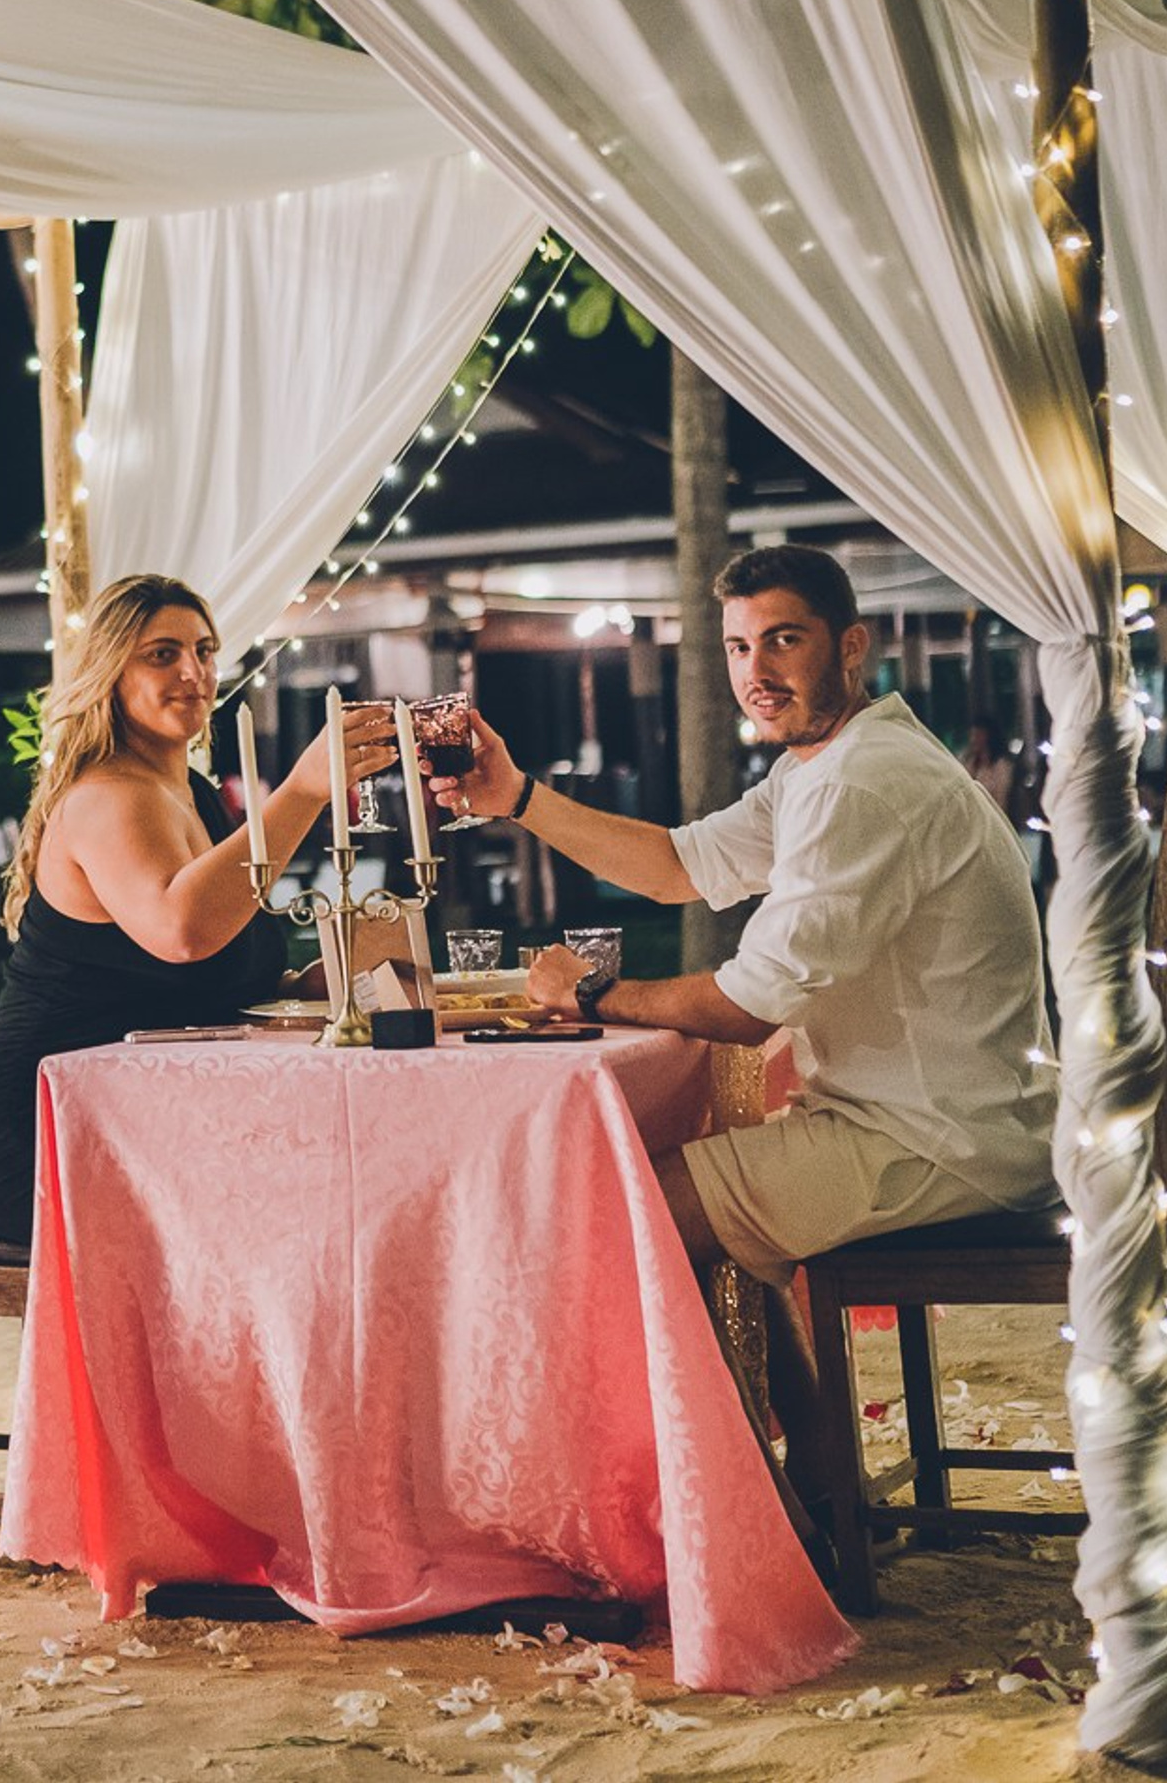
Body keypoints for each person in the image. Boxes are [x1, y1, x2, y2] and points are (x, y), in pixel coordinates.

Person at [431, 543, 1057, 1505]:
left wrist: (590, 995)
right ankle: (814, 1482)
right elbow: (677, 866)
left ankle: (735, 1509)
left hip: (940, 1140)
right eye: (736, 647)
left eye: (783, 640)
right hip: (936, 1118)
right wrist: (516, 798)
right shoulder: (831, 764)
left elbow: (747, 1005)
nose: (755, 672)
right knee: (705, 1203)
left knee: (633, 1210)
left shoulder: (861, 784)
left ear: (851, 646)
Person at [0, 573, 398, 1241]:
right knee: (312, 1199)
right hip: (46, 1131)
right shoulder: (105, 797)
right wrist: (304, 791)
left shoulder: (193, 791)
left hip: (154, 1113)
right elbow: (181, 932)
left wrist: (334, 980)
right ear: (111, 673)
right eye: (162, 655)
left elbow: (207, 975)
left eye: (205, 651)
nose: (194, 672)